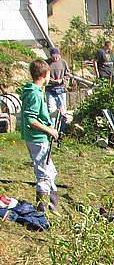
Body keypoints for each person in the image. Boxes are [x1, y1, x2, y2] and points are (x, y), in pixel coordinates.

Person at [20, 60, 61, 212]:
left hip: (39, 137)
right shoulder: (34, 94)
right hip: (38, 138)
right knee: (44, 172)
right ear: (44, 74)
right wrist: (50, 131)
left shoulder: (35, 91)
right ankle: (43, 210)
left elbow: (38, 115)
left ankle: (52, 207)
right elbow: (31, 120)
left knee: (50, 170)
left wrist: (53, 116)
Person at [46, 47, 70, 116]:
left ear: (59, 55)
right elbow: (44, 75)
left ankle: (63, 125)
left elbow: (68, 75)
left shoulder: (63, 63)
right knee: (51, 109)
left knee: (63, 109)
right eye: (53, 57)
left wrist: (62, 80)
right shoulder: (46, 63)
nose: (55, 58)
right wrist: (52, 81)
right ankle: (52, 125)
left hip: (61, 89)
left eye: (57, 56)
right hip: (50, 89)